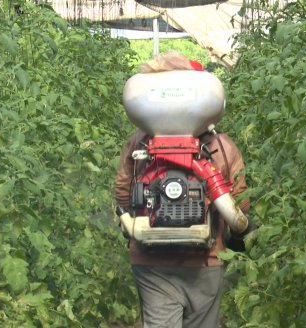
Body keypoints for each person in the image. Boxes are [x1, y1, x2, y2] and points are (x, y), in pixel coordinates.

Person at [114, 51, 252, 328]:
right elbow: (239, 204)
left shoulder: (138, 143)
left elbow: (123, 193)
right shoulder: (221, 147)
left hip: (151, 260)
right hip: (206, 260)